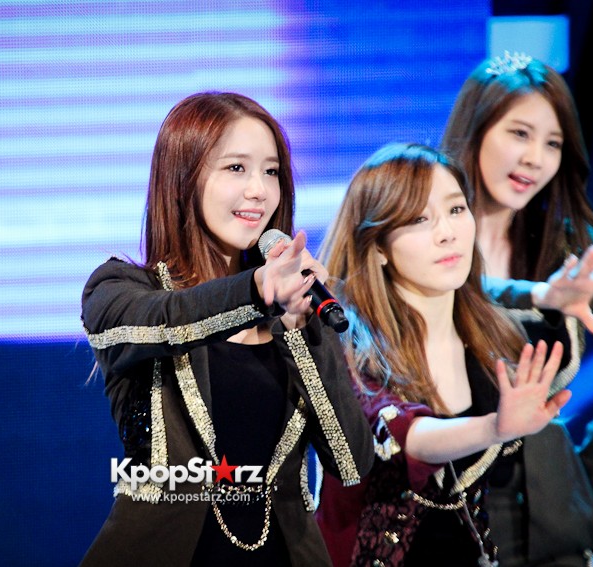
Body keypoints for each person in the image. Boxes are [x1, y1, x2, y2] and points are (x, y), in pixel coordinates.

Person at [79, 92, 374, 567]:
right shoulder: (120, 290)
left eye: (271, 171)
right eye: (236, 168)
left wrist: (301, 327)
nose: (259, 190)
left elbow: (351, 461)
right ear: (183, 179)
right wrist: (257, 291)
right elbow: (168, 321)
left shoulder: (291, 313)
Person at [312, 143, 593, 567]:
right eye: (418, 219)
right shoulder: (348, 343)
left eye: (455, 209)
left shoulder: (489, 332)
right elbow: (404, 434)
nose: (447, 232)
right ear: (377, 248)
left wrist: (556, 301)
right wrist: (493, 428)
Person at [441, 52, 593, 565]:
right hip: (442, 512)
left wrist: (583, 471)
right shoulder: (421, 237)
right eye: (520, 133)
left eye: (553, 143)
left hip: (549, 525)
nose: (536, 158)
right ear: (475, 129)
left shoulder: (575, 254)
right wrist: (540, 297)